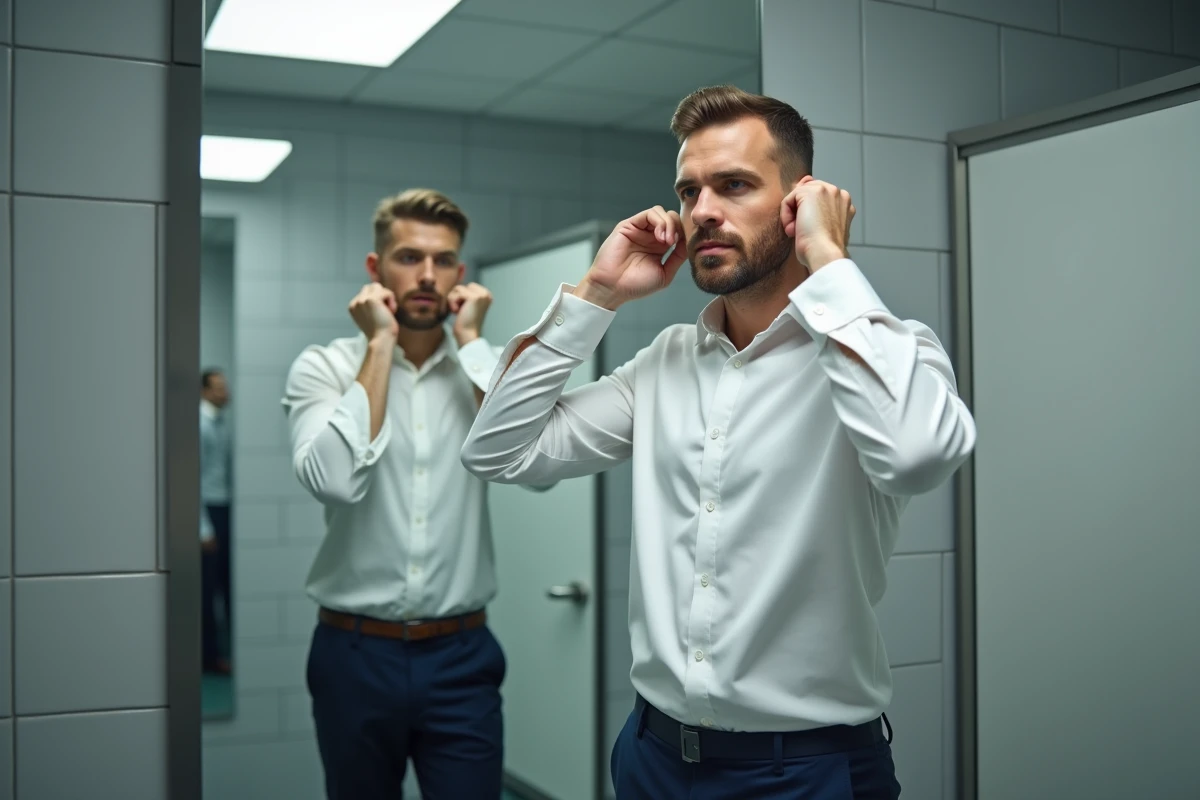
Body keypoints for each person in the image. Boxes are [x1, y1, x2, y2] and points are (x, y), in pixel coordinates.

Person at [460, 86, 977, 799]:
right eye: (689, 190)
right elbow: (497, 451)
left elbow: (918, 455)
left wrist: (827, 260)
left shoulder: (890, 353)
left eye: (733, 185)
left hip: (808, 771)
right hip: (651, 757)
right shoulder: (666, 363)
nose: (702, 211)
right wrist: (597, 292)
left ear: (801, 201)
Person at [282, 189, 516, 800]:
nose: (427, 276)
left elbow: (531, 462)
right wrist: (379, 345)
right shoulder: (325, 368)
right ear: (375, 269)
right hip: (353, 655)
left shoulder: (482, 369)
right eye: (409, 257)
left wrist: (472, 343)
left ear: (461, 275)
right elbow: (333, 479)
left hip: (462, 657)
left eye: (443, 261)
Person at [200, 368, 233, 675]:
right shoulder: (201, 424)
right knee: (207, 590)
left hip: (223, 508)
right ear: (204, 391)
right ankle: (209, 658)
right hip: (208, 511)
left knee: (225, 584)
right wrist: (203, 528)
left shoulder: (221, 424)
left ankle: (221, 652)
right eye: (220, 387)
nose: (226, 392)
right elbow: (192, 479)